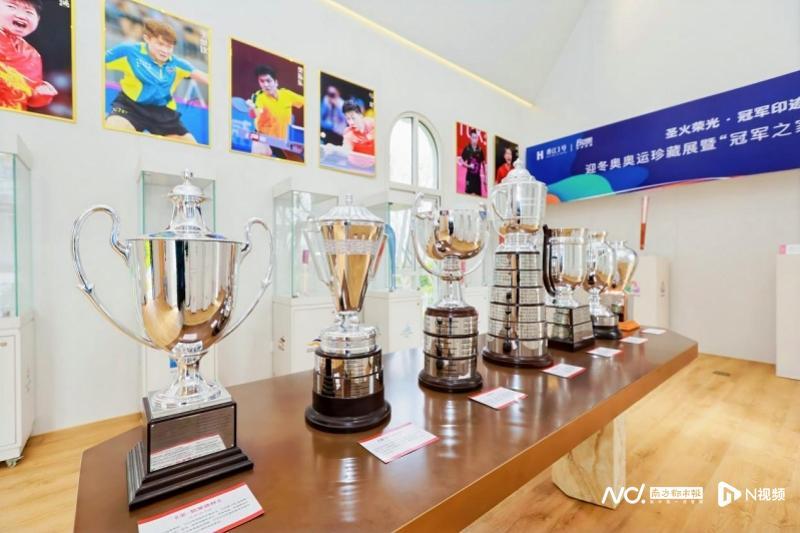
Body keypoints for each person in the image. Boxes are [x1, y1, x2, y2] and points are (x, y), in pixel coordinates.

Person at [105, 18, 208, 142]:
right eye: (160, 44)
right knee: (114, 127)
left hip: (163, 112)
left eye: (169, 47)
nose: (165, 51)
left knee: (190, 144)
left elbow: (206, 78)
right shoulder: (128, 51)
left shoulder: (177, 64)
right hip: (130, 106)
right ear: (147, 39)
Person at [0, 0, 57, 111]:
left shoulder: (32, 55)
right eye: (11, 7)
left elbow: (29, 97)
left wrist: (41, 94)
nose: (21, 16)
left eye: (29, 12)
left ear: (38, 19)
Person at [247, 65, 304, 143]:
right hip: (263, 140)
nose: (265, 85)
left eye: (268, 81)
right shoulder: (259, 97)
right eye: (262, 81)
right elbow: (253, 114)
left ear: (276, 82)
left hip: (282, 142)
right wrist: (252, 107)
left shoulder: (286, 94)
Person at [458, 128, 486, 196]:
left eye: (476, 137)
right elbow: (460, 161)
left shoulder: (480, 150)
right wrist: (468, 166)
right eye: (473, 137)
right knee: (468, 195)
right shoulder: (467, 149)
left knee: (478, 196)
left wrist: (485, 177)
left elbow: (483, 164)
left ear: (478, 138)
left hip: (477, 178)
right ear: (470, 137)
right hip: (469, 177)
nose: (474, 139)